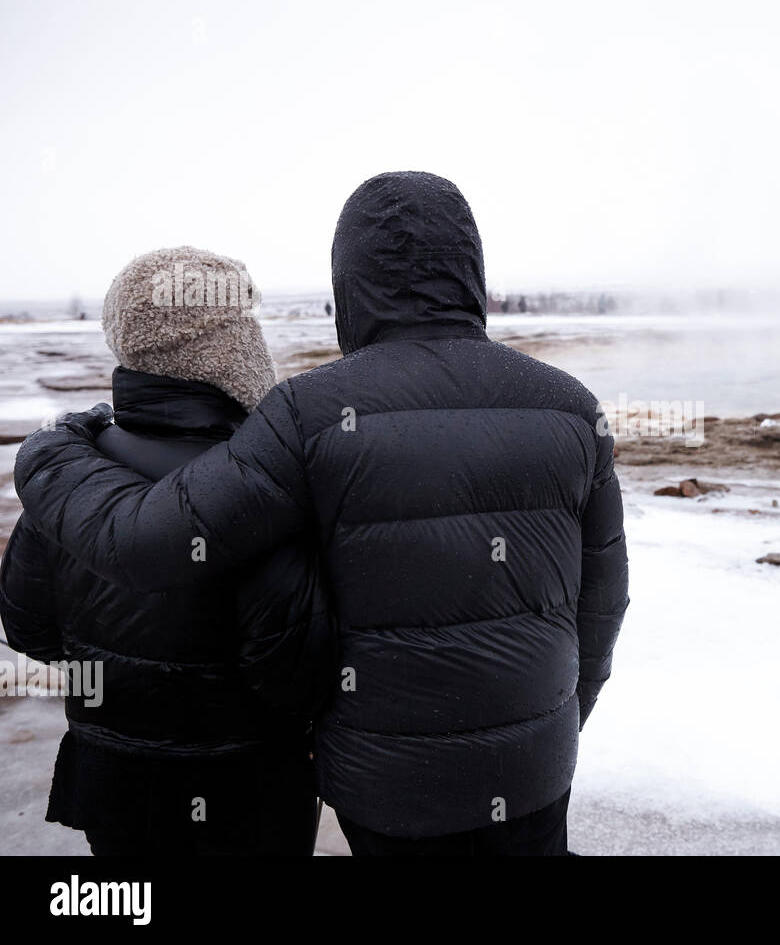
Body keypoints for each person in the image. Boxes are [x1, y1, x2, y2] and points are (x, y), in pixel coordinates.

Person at [13, 172, 631, 855]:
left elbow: (143, 542)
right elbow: (602, 602)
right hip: (535, 763)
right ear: (471, 268)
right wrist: (565, 717)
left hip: (384, 785)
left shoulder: (310, 413)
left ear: (350, 284)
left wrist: (51, 451)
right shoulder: (572, 405)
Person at [0, 246, 333, 855]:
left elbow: (26, 626)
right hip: (249, 793)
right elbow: (294, 675)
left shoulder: (69, 478)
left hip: (111, 782)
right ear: (232, 353)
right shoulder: (261, 489)